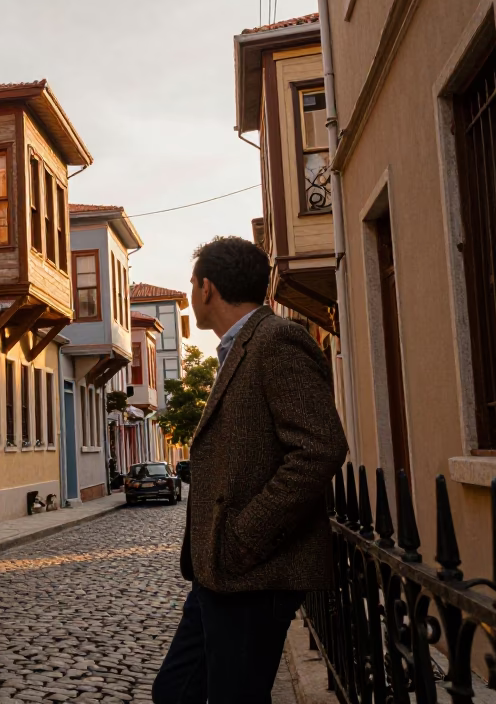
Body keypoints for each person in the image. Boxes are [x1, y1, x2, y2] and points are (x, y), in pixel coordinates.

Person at [152, 236, 347, 703]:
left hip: (255, 573)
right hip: (219, 575)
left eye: (193, 282)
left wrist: (245, 537)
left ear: (207, 289)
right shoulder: (238, 347)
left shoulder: (277, 340)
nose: (194, 291)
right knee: (175, 691)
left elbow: (319, 448)